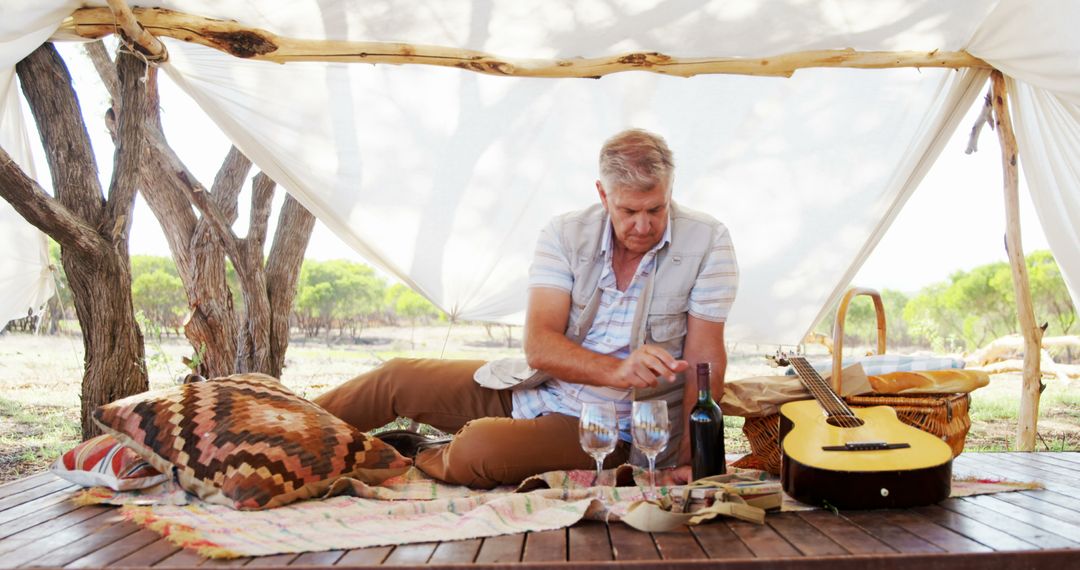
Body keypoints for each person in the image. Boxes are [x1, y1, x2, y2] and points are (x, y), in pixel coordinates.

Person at [314, 128, 738, 488]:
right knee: (396, 378)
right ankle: (272, 430)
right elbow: (539, 345)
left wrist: (688, 461)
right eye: (628, 211)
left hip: (607, 430)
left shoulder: (708, 242)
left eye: (656, 209)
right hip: (535, 386)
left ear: (670, 193)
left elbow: (705, 361)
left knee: (476, 449)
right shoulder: (565, 233)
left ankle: (412, 451)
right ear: (602, 194)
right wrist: (615, 369)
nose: (643, 226)